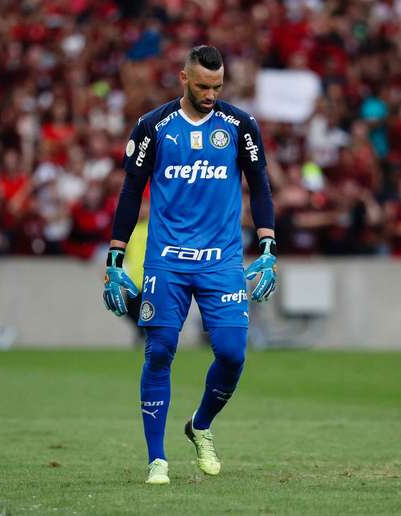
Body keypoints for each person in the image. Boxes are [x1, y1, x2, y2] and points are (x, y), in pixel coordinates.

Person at [102, 46, 277, 485]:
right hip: (167, 261)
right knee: (159, 350)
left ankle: (200, 425)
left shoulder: (240, 126)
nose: (211, 94)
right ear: (183, 78)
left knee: (233, 354)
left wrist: (268, 247)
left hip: (222, 261)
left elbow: (260, 185)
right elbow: (130, 192)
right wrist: (115, 256)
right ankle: (156, 459)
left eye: (217, 87)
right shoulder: (154, 126)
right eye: (202, 86)